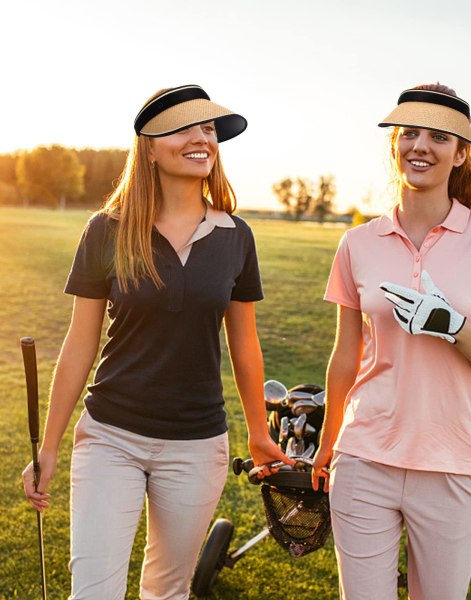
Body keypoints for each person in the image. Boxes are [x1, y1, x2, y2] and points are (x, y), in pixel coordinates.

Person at [22, 84, 292, 600]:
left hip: (197, 445)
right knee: (93, 592)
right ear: (149, 145)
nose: (202, 138)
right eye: (186, 127)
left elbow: (244, 345)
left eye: (209, 128)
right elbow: (80, 342)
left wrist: (259, 432)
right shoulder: (107, 229)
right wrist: (50, 444)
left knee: (166, 592)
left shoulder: (237, 235)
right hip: (110, 437)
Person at [311, 84, 471, 600]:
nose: (420, 145)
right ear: (394, 145)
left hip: (452, 465)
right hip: (364, 457)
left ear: (461, 153)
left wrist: (454, 328)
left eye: (439, 136)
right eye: (408, 132)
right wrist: (327, 447)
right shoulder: (358, 243)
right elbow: (347, 355)